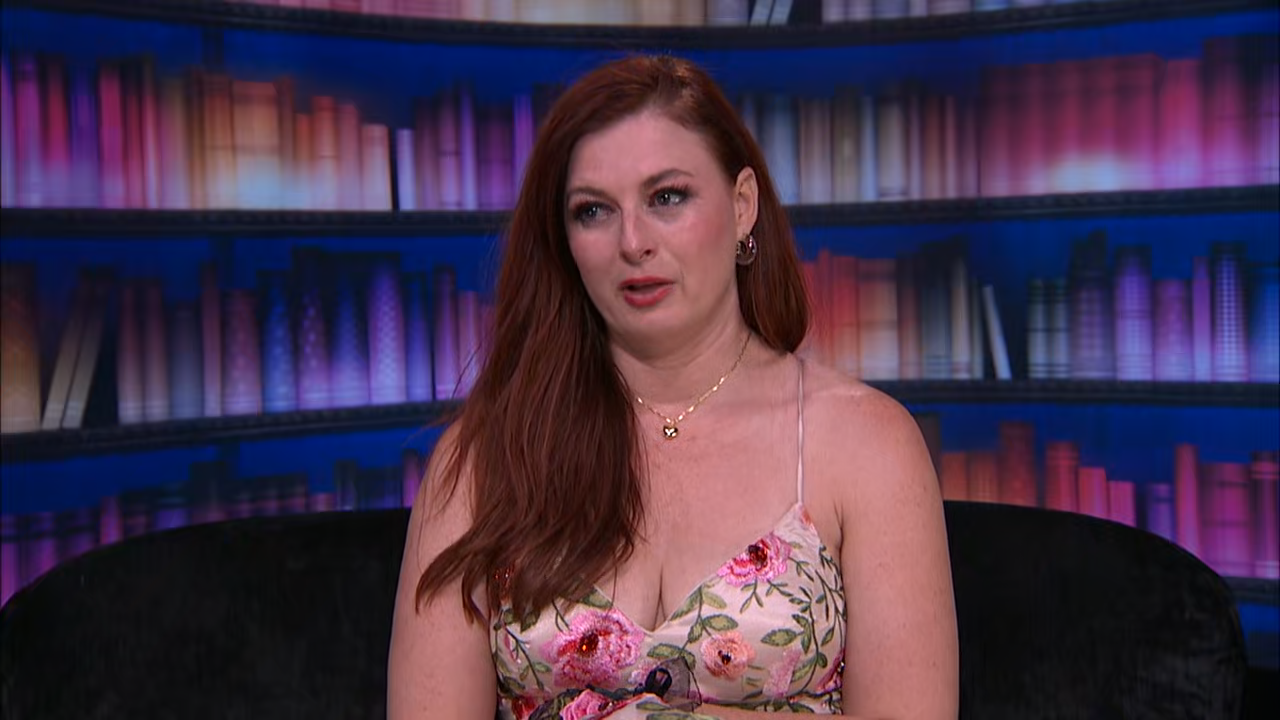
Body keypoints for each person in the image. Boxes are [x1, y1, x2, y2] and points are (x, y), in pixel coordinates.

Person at [387, 53, 958, 719]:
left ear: (742, 206)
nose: (633, 241)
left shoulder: (868, 445)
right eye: (593, 211)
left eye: (667, 197)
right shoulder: (482, 460)